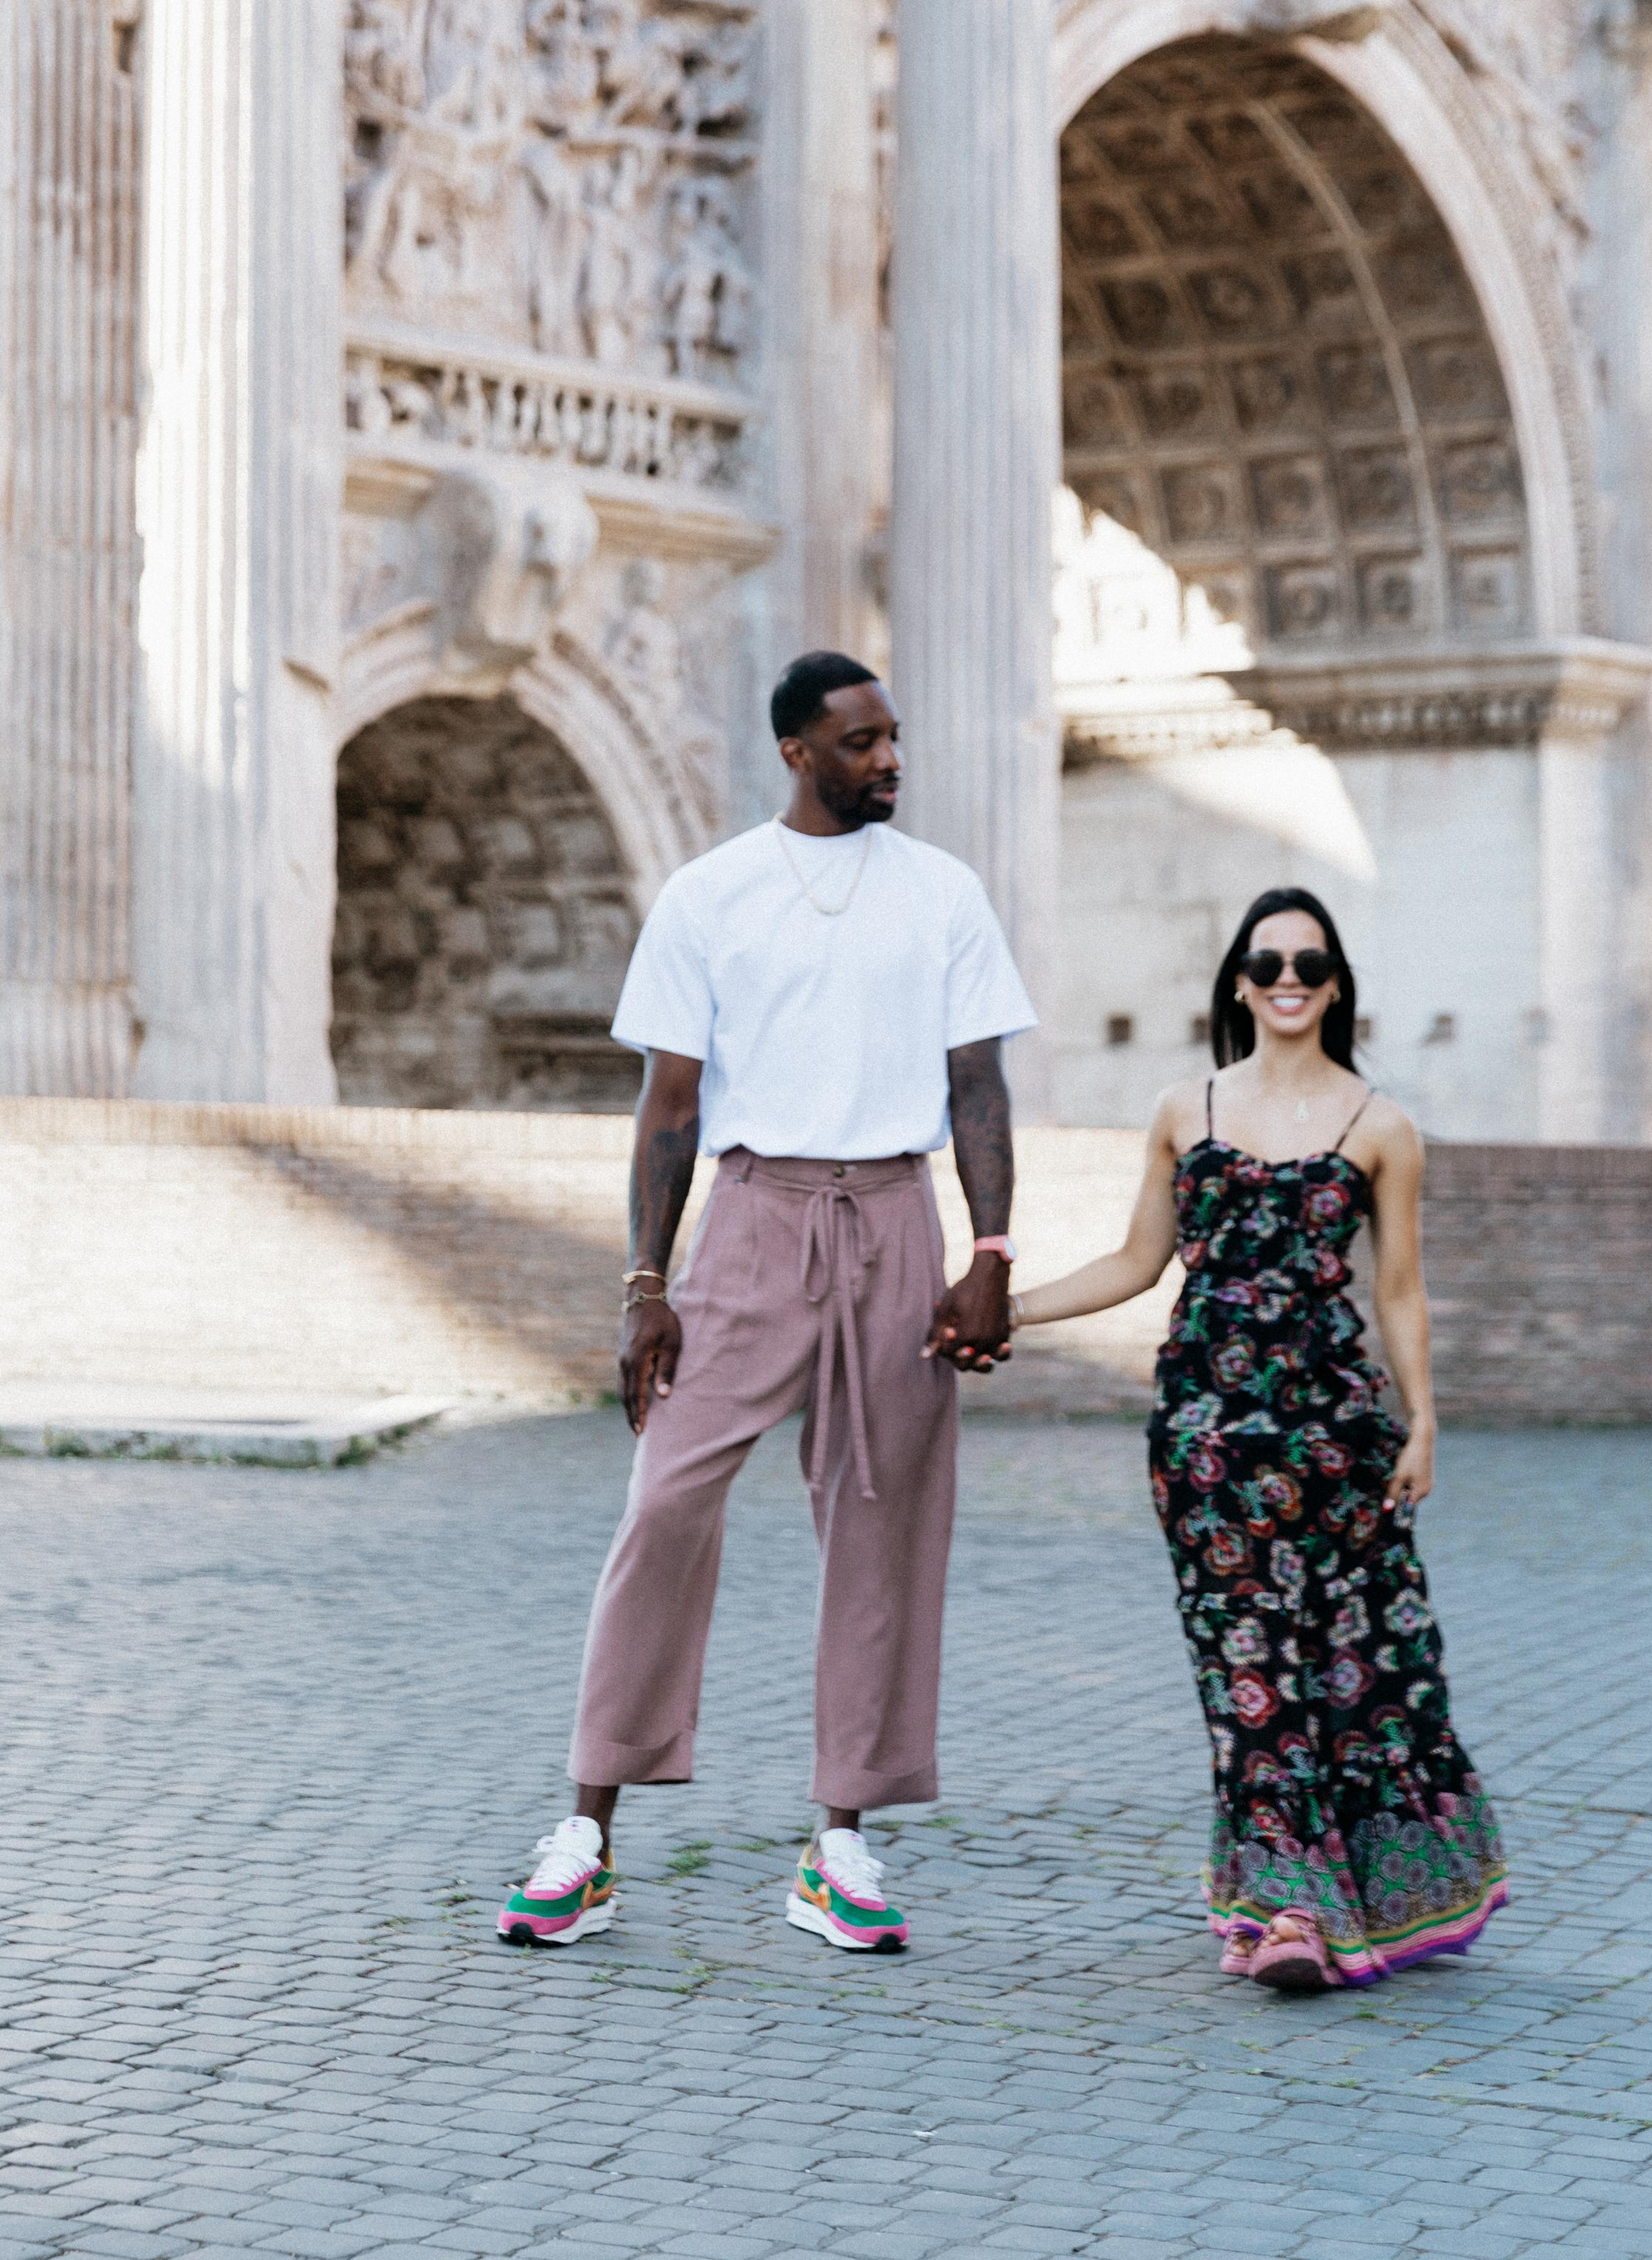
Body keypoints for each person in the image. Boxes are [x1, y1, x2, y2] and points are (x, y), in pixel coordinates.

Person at [499, 650, 1036, 1956]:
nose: (890, 760)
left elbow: (977, 1088)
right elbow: (668, 1107)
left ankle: (842, 1839)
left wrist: (991, 1252)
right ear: (798, 751)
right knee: (668, 1498)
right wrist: (645, 1285)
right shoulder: (712, 895)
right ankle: (586, 1833)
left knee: (885, 1520)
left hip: (896, 1218)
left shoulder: (945, 894)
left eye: (895, 737)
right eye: (862, 742)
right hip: (749, 1219)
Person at [1009, 886, 1506, 1991]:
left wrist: (1423, 1421)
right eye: (1269, 962)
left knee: (1361, 1665)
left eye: (1310, 967)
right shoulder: (1183, 1108)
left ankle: (1372, 1889)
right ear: (1239, 980)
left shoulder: (1381, 1126)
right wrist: (1013, 1309)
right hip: (1207, 1442)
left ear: (1336, 988)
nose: (1289, 980)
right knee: (1246, 1663)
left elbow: (1402, 1293)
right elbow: (1137, 1262)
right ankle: (1291, 1911)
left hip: (1338, 1437)